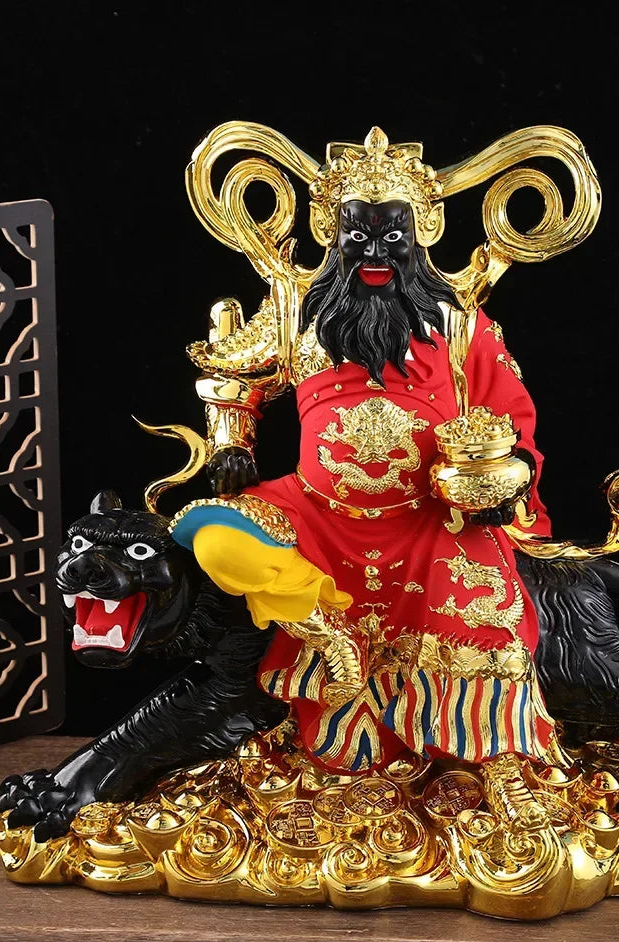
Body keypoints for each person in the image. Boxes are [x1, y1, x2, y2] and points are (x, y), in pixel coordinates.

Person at [170, 129, 564, 797]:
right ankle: (326, 635)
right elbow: (234, 377)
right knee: (216, 538)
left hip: (430, 518)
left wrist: (505, 479)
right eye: (357, 234)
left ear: (423, 233)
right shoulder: (296, 314)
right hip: (317, 515)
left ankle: (482, 753)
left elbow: (513, 418)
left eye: (393, 235)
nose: (376, 252)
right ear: (331, 233)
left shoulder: (462, 326)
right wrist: (233, 442)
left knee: (481, 616)